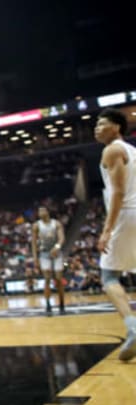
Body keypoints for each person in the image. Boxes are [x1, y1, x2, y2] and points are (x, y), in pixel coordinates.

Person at [93, 108, 136, 361]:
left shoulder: (112, 150)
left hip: (127, 215)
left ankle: (132, 328)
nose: (97, 128)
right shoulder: (133, 151)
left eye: (102, 124)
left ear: (117, 128)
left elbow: (118, 192)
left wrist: (107, 230)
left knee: (109, 276)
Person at [31, 206, 66, 315]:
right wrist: (35, 258)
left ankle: (62, 304)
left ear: (47, 212)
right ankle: (48, 304)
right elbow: (33, 242)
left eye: (42, 210)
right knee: (47, 279)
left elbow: (62, 238)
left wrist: (57, 247)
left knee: (59, 279)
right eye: (39, 211)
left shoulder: (56, 223)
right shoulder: (36, 225)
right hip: (44, 253)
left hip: (57, 253)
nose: (40, 212)